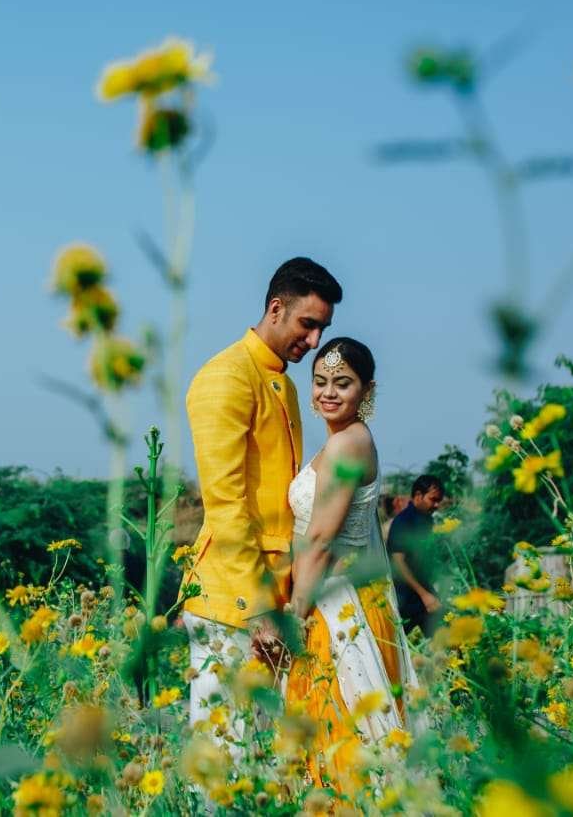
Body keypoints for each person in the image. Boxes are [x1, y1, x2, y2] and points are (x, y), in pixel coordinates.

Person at [180, 257, 342, 756]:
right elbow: (226, 505)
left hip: (276, 596)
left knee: (261, 761)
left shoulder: (285, 384)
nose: (314, 341)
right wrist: (261, 609)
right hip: (234, 600)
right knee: (222, 756)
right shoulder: (226, 376)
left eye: (322, 328)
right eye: (307, 324)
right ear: (276, 309)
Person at [284, 337, 422, 793]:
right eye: (320, 381)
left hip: (335, 605)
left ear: (367, 390)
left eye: (342, 383)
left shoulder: (348, 444)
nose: (328, 392)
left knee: (340, 738)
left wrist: (294, 614)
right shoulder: (343, 441)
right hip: (337, 597)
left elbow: (320, 538)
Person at [386, 474, 446, 636]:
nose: (437, 505)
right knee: (399, 641)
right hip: (404, 596)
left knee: (443, 639)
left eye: (439, 501)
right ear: (418, 495)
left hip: (422, 592)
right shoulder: (404, 522)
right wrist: (424, 594)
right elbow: (398, 562)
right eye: (433, 499)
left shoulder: (427, 521)